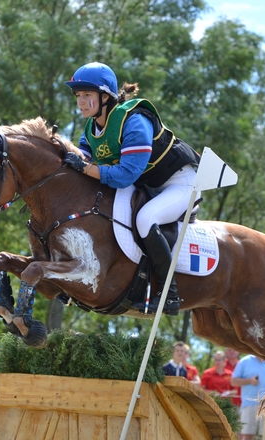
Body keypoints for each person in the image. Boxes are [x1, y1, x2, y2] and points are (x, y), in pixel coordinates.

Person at [63, 62, 200, 315]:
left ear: (105, 97)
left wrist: (85, 168)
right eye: (78, 96)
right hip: (147, 185)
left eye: (87, 95)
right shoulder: (91, 129)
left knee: (146, 219)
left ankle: (170, 293)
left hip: (178, 183)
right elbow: (83, 162)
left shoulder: (134, 120)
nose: (80, 102)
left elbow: (125, 175)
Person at [231, 354, 265, 440]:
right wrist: (249, 380)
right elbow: (233, 381)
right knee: (247, 434)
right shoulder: (244, 361)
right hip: (249, 404)